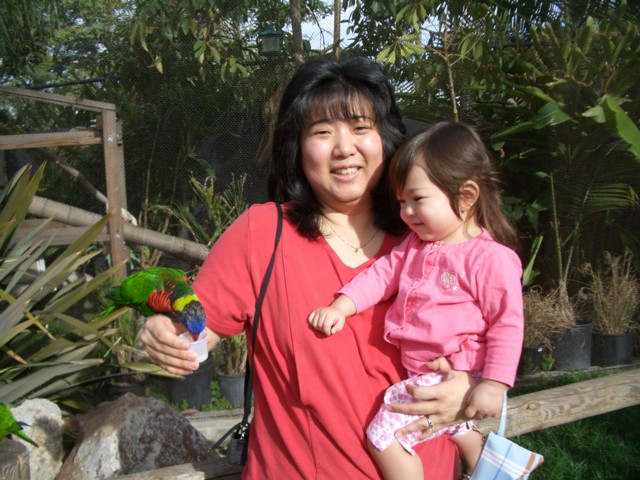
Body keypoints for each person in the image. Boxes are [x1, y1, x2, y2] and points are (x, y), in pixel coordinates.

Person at [140, 58, 477, 479]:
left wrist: (469, 388)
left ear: (387, 140)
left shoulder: (433, 239)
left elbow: (489, 333)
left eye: (360, 128)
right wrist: (165, 334)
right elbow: (196, 331)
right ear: (297, 147)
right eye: (321, 132)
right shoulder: (263, 235)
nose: (344, 148)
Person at [308, 122, 524, 479]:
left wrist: (494, 385)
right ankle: (488, 463)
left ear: (466, 196)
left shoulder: (489, 258)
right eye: (402, 202)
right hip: (428, 370)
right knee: (453, 424)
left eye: (417, 200)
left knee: (382, 435)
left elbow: (508, 322)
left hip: (451, 371)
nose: (407, 213)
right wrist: (342, 305)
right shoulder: (415, 246)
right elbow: (381, 276)